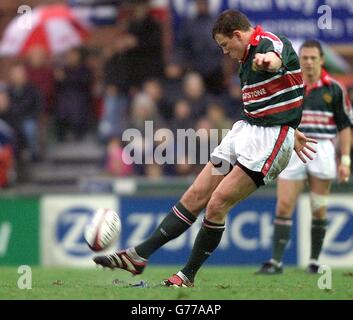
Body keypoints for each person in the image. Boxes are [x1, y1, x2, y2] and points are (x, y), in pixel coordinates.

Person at [93, 9, 316, 287]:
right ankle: (139, 255)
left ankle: (187, 276)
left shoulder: (269, 44)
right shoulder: (244, 58)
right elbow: (278, 97)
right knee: (196, 193)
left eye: (225, 45)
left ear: (237, 35)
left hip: (268, 142)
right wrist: (291, 124)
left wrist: (266, 62)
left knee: (217, 203)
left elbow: (275, 60)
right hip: (245, 132)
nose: (225, 52)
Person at [256, 40, 352, 275]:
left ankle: (314, 262)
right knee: (284, 205)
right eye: (304, 58)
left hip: (323, 149)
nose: (308, 62)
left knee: (318, 207)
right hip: (293, 150)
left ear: (321, 60)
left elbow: (345, 126)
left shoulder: (335, 89)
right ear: (299, 60)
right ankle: (276, 262)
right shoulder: (290, 85)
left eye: (313, 58)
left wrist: (346, 159)